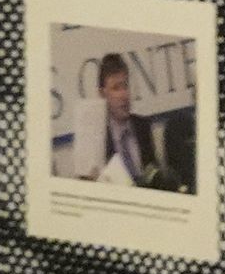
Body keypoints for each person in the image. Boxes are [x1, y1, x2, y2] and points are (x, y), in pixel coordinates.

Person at [83, 50, 193, 190]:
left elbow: (154, 174)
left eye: (126, 86)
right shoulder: (97, 138)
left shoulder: (143, 126)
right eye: (116, 88)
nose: (124, 95)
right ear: (102, 94)